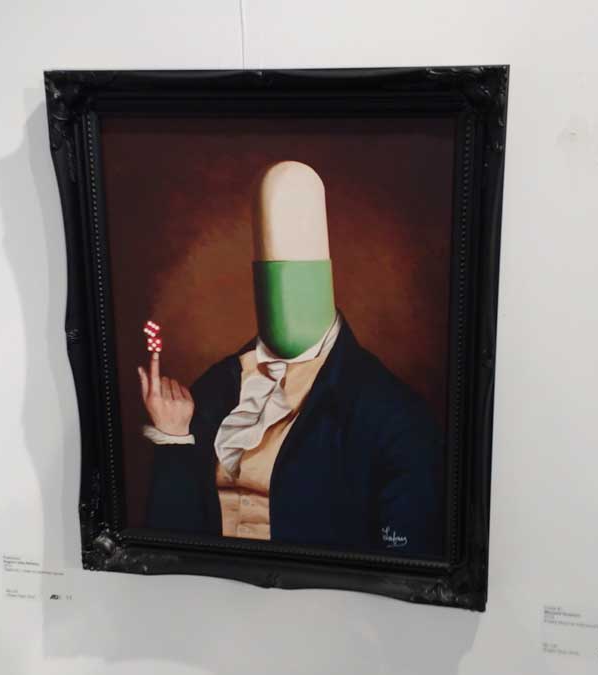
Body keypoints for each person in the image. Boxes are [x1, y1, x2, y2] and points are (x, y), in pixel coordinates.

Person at [138, 160, 442, 557]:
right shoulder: (212, 391)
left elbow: (401, 566)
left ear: (322, 281)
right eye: (272, 278)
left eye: (297, 279)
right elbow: (168, 544)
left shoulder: (392, 416)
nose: (284, 295)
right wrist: (174, 439)